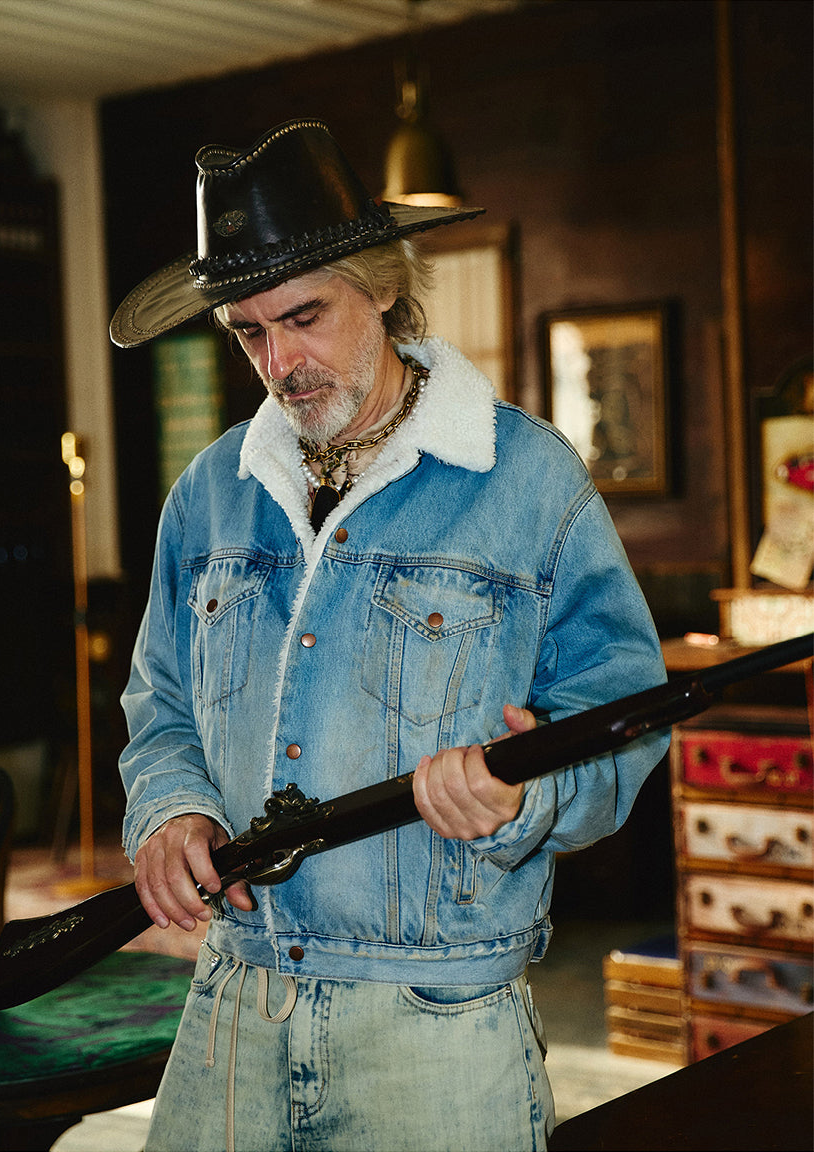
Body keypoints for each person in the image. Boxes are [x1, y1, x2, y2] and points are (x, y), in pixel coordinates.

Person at [111, 118, 670, 1152]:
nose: (280, 362)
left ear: (379, 288)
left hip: (440, 1023)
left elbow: (626, 718)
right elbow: (161, 704)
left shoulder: (527, 482)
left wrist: (524, 794)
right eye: (248, 332)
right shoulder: (208, 494)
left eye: (304, 317)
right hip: (233, 1000)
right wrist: (171, 808)